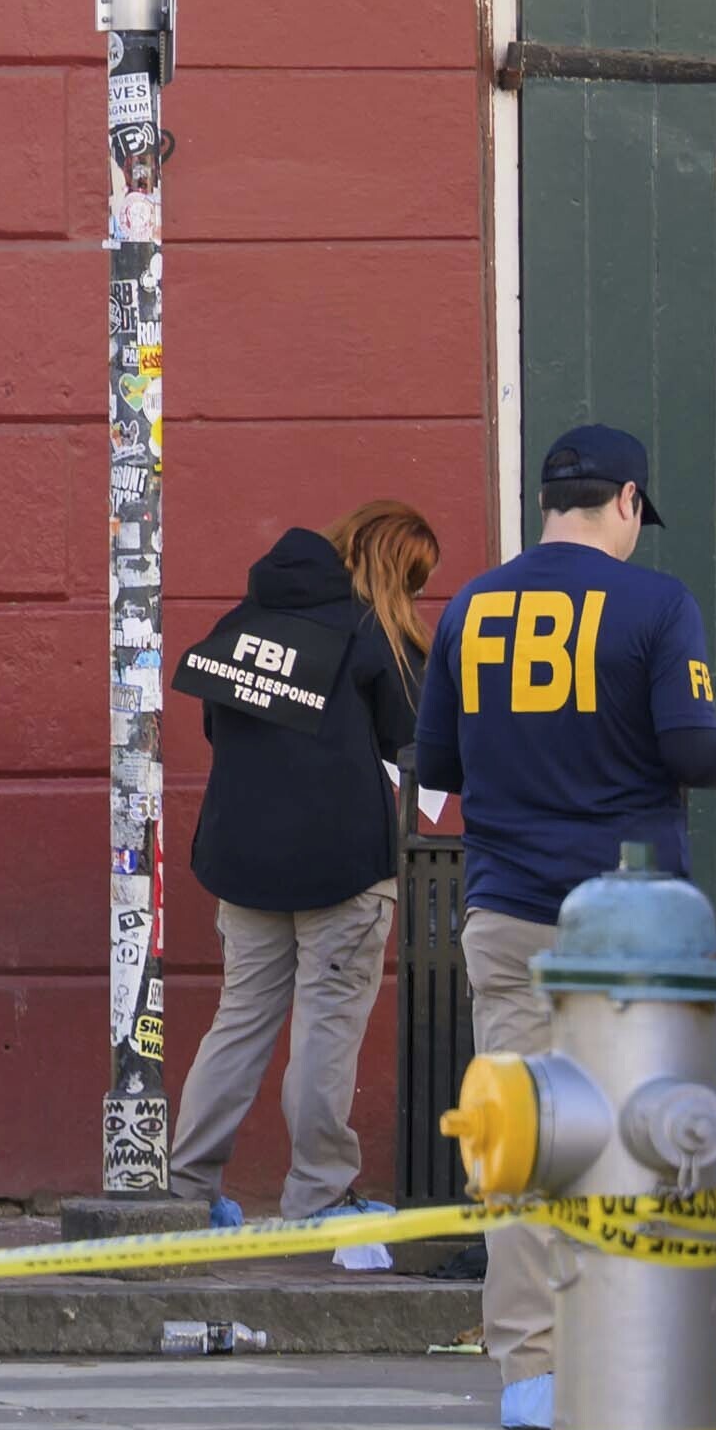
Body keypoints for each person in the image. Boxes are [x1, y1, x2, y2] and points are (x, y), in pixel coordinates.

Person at [413, 423, 716, 1423]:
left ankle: (536, 1371)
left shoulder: (470, 605)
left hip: (509, 912)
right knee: (681, 1138)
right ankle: (706, 1364)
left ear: (548, 501)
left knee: (527, 1139)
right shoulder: (658, 602)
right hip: (639, 935)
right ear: (628, 498)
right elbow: (689, 740)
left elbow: (438, 767)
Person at [159, 512, 418, 1228]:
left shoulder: (236, 626)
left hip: (243, 860)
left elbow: (217, 729)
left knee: (238, 1023)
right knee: (325, 1030)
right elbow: (411, 736)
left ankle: (185, 1188)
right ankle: (320, 1194)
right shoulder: (365, 631)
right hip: (343, 865)